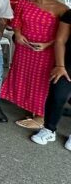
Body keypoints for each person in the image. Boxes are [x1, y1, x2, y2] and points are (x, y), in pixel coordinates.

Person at [1, 0, 67, 129]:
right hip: (24, 48)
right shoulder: (24, 2)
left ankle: (40, 116)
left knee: (42, 81)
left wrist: (47, 44)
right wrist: (18, 35)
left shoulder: (61, 8)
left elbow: (63, 35)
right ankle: (29, 106)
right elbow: (16, 22)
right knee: (24, 76)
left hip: (47, 51)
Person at [31, 8, 71, 147]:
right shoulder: (69, 14)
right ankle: (49, 129)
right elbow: (60, 40)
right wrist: (60, 65)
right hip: (66, 64)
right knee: (57, 95)